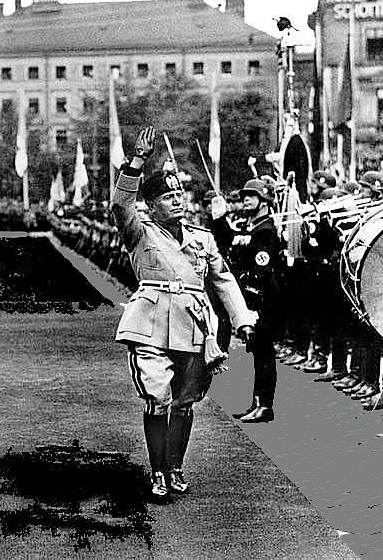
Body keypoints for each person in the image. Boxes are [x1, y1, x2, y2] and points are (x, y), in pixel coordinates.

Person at [111, 126, 256, 503]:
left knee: (185, 400)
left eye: (179, 195)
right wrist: (137, 161)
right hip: (151, 324)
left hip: (195, 327)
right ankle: (157, 471)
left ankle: (174, 467)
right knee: (157, 396)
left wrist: (242, 321)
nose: (176, 201)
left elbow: (224, 281)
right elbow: (120, 204)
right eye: (167, 196)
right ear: (151, 204)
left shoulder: (202, 238)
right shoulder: (138, 232)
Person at [213, 178, 283, 423]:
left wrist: (251, 304)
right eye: (244, 196)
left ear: (264, 200)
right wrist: (219, 220)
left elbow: (260, 269)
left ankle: (265, 406)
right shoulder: (252, 226)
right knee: (258, 353)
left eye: (252, 196)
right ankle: (257, 403)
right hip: (252, 298)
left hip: (262, 300)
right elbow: (229, 242)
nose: (246, 200)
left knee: (264, 353)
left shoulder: (265, 230)